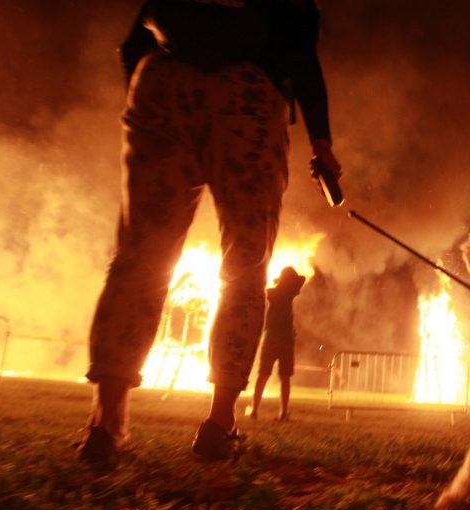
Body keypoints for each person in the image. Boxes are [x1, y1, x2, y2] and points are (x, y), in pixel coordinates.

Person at [77, 0, 341, 467]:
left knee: (138, 255)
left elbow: (132, 42)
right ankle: (219, 423)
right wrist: (321, 140)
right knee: (245, 262)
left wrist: (149, 107)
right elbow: (299, 52)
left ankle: (107, 422)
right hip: (246, 95)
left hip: (161, 80)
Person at [248, 267, 305, 422]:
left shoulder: (272, 293)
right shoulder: (290, 292)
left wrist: (278, 282)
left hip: (271, 337)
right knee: (285, 377)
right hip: (286, 338)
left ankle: (254, 410)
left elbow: (264, 288)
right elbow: (302, 279)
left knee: (263, 375)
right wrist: (286, 281)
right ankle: (283, 412)